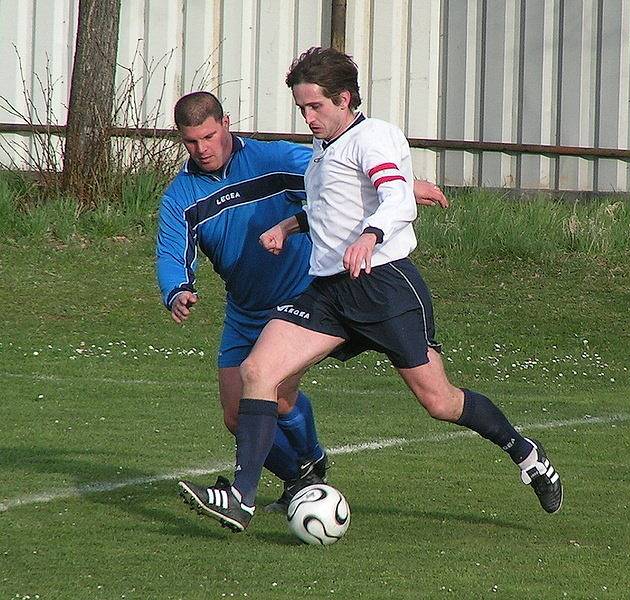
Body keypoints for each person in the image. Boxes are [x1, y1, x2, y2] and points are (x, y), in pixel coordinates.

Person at [177, 48, 563, 533]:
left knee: (439, 401)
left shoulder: (374, 136)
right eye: (302, 109)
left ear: (344, 99)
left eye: (315, 107)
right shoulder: (323, 152)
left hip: (383, 286)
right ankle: (242, 498)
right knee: (257, 371)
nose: (308, 118)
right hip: (329, 293)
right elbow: (333, 207)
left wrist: (372, 235)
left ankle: (525, 452)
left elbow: (394, 196)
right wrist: (289, 226)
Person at [156, 91, 448, 513]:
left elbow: (339, 176)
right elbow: (171, 251)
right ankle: (301, 477)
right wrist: (177, 289)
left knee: (279, 395)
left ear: (226, 123)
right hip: (244, 310)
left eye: (209, 136)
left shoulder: (271, 159)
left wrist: (407, 185)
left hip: (299, 298)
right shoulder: (181, 196)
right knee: (235, 416)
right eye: (191, 142)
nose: (202, 149)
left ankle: (300, 465)